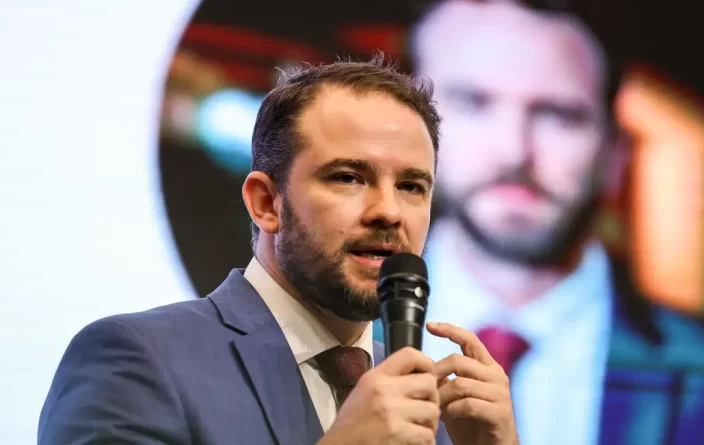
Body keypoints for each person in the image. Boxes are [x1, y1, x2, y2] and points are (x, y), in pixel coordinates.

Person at [38, 56, 520, 445]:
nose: (389, 211)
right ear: (266, 203)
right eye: (349, 177)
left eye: (412, 186)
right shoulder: (136, 359)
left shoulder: (435, 413)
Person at [410, 1, 704, 444]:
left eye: (558, 114)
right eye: (473, 103)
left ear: (616, 152)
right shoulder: (341, 344)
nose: (514, 151)